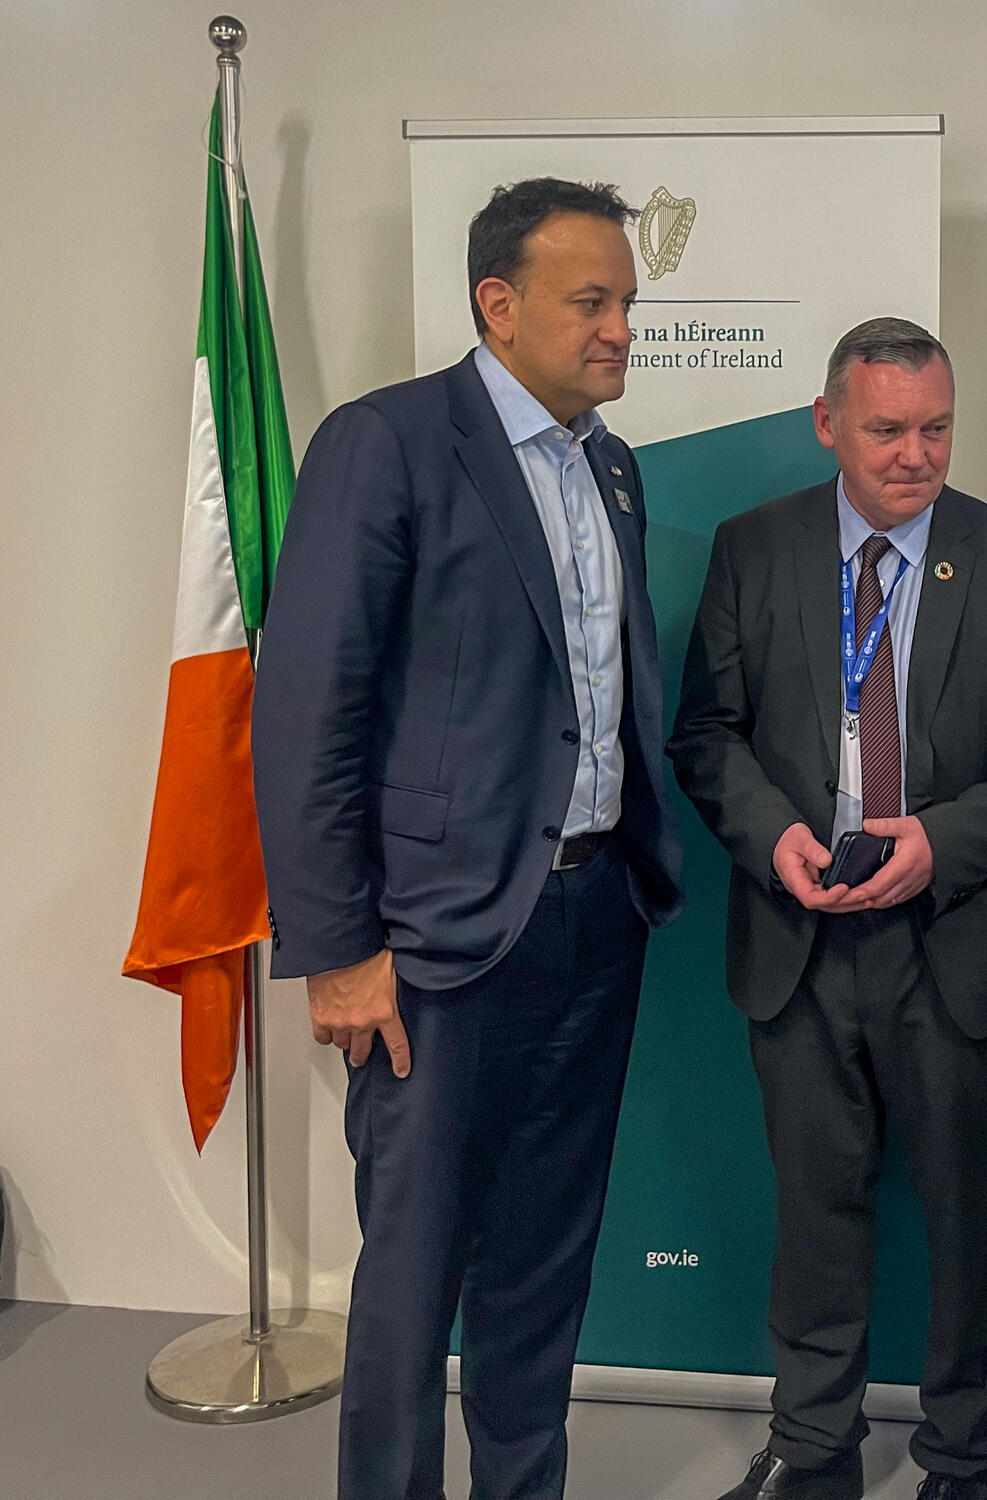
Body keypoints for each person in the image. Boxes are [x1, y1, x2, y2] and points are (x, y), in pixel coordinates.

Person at [252, 178, 684, 1500]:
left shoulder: (610, 464)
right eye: (591, 301)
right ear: (498, 306)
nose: (621, 329)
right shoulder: (384, 443)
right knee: (413, 1274)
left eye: (627, 301)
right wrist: (338, 950)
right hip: (433, 947)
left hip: (591, 923)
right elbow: (306, 711)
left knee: (544, 1264)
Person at [670, 318, 987, 1500]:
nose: (914, 455)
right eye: (887, 430)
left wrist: (942, 843)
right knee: (813, 1214)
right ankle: (812, 1449)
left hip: (951, 943)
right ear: (828, 425)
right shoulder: (755, 549)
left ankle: (965, 1460)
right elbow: (705, 734)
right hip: (797, 937)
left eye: (936, 429)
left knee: (969, 1226)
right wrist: (774, 840)